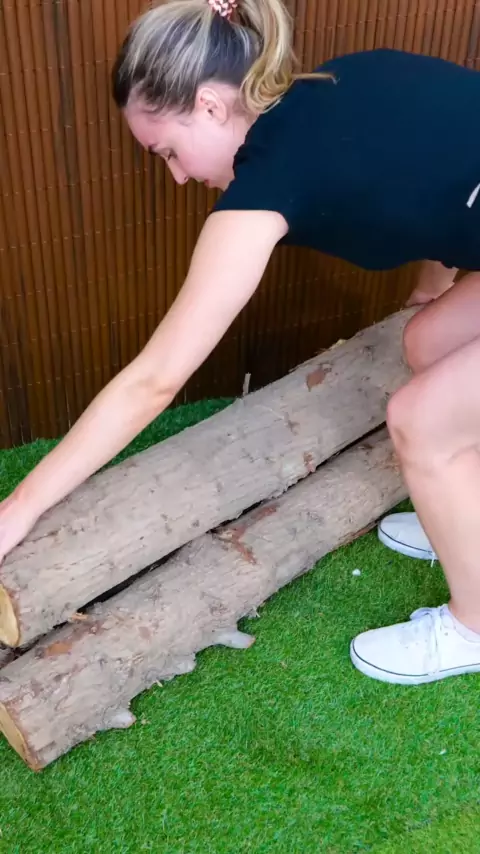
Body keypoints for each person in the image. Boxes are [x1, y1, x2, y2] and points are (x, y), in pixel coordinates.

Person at [2, 0, 480, 686]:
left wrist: (18, 508)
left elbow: (154, 381)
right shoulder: (342, 79)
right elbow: (442, 169)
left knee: (421, 420)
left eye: (168, 151)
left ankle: (473, 627)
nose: (176, 176)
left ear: (208, 104)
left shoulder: (267, 189)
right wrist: (434, 288)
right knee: (429, 342)